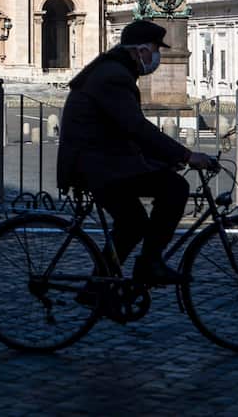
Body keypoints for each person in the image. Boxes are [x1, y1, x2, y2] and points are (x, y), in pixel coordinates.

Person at [57, 19, 215, 286]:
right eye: (155, 50)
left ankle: (99, 287)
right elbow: (136, 128)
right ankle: (150, 264)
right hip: (98, 165)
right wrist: (187, 156)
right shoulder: (115, 77)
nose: (157, 57)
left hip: (98, 161)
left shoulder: (113, 70)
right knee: (175, 188)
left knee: (132, 224)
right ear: (140, 51)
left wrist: (162, 159)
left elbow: (121, 129)